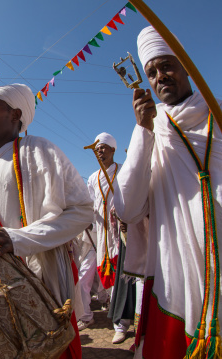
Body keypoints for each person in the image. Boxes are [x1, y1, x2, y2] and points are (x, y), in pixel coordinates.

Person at [114, 26, 222, 358]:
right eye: (151, 71)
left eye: (167, 65)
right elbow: (128, 209)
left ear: (187, 67)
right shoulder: (152, 129)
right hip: (178, 268)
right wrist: (142, 131)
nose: (159, 76)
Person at [0, 84, 94, 359]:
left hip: (45, 279)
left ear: (15, 114)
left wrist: (19, 239)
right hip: (2, 288)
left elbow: (82, 210)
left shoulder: (39, 149)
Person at [86, 133, 134, 344]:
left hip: (123, 232)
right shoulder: (92, 177)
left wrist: (125, 214)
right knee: (106, 275)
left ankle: (120, 324)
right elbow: (90, 204)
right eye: (97, 148)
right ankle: (114, 313)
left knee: (122, 275)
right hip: (102, 233)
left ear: (113, 150)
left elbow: (133, 196)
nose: (100, 151)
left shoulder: (124, 172)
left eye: (104, 147)